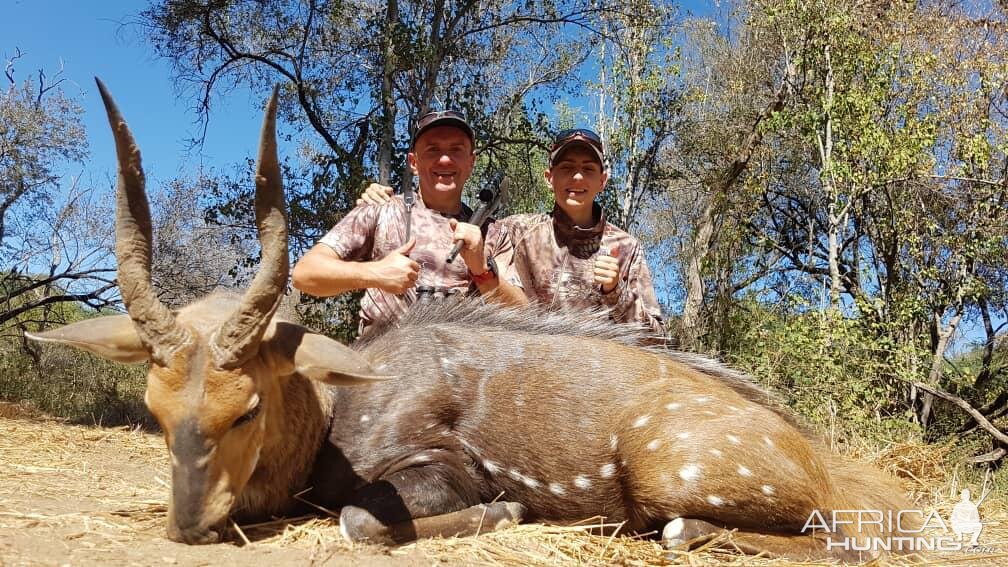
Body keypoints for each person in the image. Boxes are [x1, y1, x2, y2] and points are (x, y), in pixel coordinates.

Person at [358, 127, 664, 335]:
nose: (577, 177)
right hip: (526, 383)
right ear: (549, 177)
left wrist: (616, 293)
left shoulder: (626, 247)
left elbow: (657, 340)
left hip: (596, 389)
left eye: (588, 169)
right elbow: (454, 225)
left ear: (603, 180)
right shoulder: (515, 230)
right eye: (567, 167)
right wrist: (386, 201)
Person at [292, 110, 525, 336]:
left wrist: (482, 270)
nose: (445, 159)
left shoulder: (493, 232)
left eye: (456, 150)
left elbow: (523, 317)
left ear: (471, 162)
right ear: (413, 162)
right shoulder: (381, 209)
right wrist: (375, 273)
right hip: (384, 368)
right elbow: (305, 274)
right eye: (433, 150)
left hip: (466, 370)